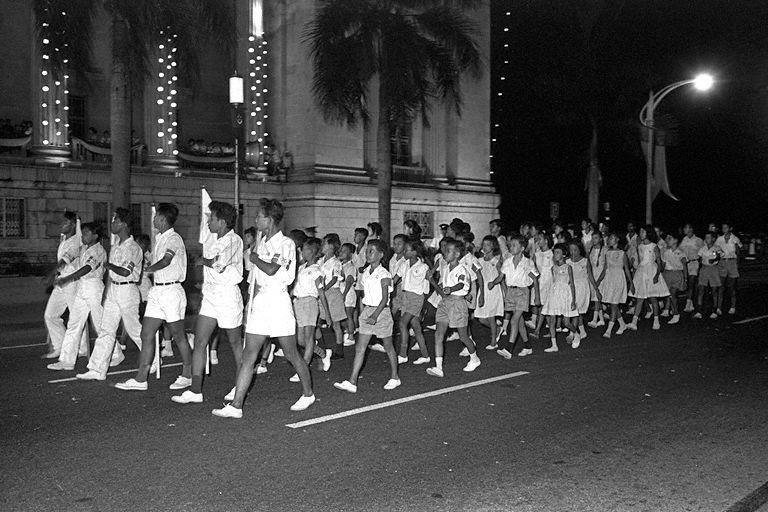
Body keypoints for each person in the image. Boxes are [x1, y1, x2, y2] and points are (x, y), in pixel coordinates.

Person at [212, 199, 315, 417]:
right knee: (249, 355)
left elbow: (270, 269)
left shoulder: (285, 244)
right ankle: (236, 405)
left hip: (278, 302)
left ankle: (308, 394)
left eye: (259, 216)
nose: (256, 220)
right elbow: (258, 276)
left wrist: (255, 258)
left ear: (270, 220)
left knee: (291, 354)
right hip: (261, 301)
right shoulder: (261, 242)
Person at [172, 200, 244, 405]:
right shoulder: (213, 239)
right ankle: (195, 390)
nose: (208, 222)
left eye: (211, 218)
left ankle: (240, 385)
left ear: (221, 222)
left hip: (228, 296)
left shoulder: (234, 241)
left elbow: (219, 265)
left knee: (235, 343)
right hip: (211, 296)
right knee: (200, 340)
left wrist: (204, 260)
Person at [115, 203, 192, 392]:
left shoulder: (174, 239)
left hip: (172, 291)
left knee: (178, 334)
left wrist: (147, 270)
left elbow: (166, 260)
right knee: (146, 333)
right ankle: (141, 379)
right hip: (158, 291)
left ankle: (188, 374)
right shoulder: (159, 238)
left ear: (163, 219)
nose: (153, 219)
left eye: (156, 216)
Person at [77, 210, 144, 380]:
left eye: (116, 220)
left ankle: (153, 359)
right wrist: (106, 293)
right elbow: (112, 274)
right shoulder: (116, 246)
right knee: (106, 330)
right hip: (114, 289)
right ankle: (97, 369)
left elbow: (125, 272)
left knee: (134, 330)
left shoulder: (133, 247)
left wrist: (109, 266)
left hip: (127, 290)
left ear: (124, 225)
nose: (112, 223)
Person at [334, 239, 400, 392]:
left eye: (372, 251)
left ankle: (395, 377)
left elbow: (384, 299)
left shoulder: (384, 274)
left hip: (381, 313)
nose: (367, 253)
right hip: (369, 311)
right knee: (360, 348)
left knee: (388, 347)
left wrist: (375, 315)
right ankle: (352, 381)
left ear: (381, 255)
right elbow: (364, 294)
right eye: (367, 250)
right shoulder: (365, 273)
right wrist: (364, 313)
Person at [46, 223, 106, 371]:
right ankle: (66, 360)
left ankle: (115, 353)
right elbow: (69, 258)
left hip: (94, 288)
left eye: (86, 233)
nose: (83, 236)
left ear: (95, 236)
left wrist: (68, 279)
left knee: (100, 326)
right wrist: (56, 272)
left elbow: (87, 268)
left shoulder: (98, 250)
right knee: (74, 324)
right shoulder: (83, 248)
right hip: (82, 287)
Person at [426, 239, 482, 377]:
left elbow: (461, 285)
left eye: (448, 251)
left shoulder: (462, 269)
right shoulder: (445, 268)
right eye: (444, 250)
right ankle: (438, 367)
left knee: (463, 336)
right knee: (439, 334)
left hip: (458, 304)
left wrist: (451, 288)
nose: (445, 253)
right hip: (445, 303)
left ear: (457, 254)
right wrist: (432, 281)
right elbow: (442, 292)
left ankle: (474, 358)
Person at [42, 211, 87, 360]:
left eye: (65, 222)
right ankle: (60, 346)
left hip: (71, 283)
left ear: (73, 225)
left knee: (76, 316)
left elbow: (64, 261)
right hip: (61, 282)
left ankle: (83, 348)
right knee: (50, 315)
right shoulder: (64, 241)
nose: (61, 225)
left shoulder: (76, 242)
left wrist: (51, 273)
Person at [291, 237, 332, 380]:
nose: (303, 251)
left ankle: (303, 369)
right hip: (298, 303)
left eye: (306, 249)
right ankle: (323, 353)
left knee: (308, 338)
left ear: (313, 252)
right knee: (299, 340)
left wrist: (327, 313)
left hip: (309, 303)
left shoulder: (317, 271)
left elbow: (321, 293)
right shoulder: (302, 268)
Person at [491, 234, 539, 358]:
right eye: (510, 245)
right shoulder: (507, 261)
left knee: (514, 320)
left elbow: (535, 280)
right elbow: (501, 277)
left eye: (514, 245)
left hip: (523, 292)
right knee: (520, 322)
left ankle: (509, 349)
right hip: (511, 292)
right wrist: (492, 283)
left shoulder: (528, 263)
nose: (510, 247)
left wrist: (537, 297)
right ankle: (527, 346)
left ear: (522, 248)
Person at [626, 225, 669, 331]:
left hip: (652, 271)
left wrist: (657, 275)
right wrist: (637, 274)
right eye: (640, 232)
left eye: (643, 232)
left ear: (648, 233)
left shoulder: (654, 246)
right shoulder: (639, 246)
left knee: (653, 298)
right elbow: (640, 261)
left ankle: (656, 320)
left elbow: (658, 262)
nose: (641, 234)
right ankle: (634, 322)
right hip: (642, 272)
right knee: (639, 298)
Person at [396, 239, 431, 365]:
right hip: (405, 297)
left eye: (407, 250)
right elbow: (396, 279)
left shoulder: (423, 267)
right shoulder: (404, 264)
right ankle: (425, 355)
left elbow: (429, 283)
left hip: (416, 298)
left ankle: (403, 354)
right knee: (416, 327)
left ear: (415, 252)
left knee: (402, 323)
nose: (404, 251)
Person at [541, 243, 579, 352]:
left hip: (565, 296)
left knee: (566, 322)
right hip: (554, 295)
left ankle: (576, 334)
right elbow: (554, 282)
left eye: (558, 252)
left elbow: (571, 284)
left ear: (564, 254)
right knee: (552, 321)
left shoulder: (568, 267)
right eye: (554, 252)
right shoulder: (553, 268)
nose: (555, 254)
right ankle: (554, 345)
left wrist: (573, 300)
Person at [596, 233, 634, 338]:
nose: (609, 240)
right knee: (613, 304)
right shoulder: (607, 253)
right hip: (609, 279)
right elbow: (605, 269)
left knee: (614, 304)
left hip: (619, 279)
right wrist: (599, 280)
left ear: (617, 239)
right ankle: (622, 324)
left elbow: (626, 269)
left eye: (611, 238)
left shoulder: (622, 253)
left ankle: (609, 330)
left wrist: (631, 283)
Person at [319, 233, 347, 358]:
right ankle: (320, 347)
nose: (322, 246)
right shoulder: (321, 261)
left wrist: (324, 288)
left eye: (324, 243)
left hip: (332, 294)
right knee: (317, 320)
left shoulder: (335, 262)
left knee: (336, 323)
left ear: (330, 246)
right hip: (322, 293)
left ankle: (339, 350)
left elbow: (335, 278)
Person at [474, 236, 504, 352]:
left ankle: (493, 341)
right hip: (483, 289)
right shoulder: (480, 261)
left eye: (488, 245)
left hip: (493, 290)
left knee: (491, 316)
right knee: (481, 318)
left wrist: (495, 283)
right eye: (484, 244)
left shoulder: (496, 261)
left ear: (493, 247)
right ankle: (497, 329)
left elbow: (501, 276)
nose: (485, 247)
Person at [567, 240, 593, 344]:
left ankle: (572, 332)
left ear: (579, 250)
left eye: (575, 250)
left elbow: (590, 276)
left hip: (582, 287)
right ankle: (581, 331)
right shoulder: (567, 261)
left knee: (577, 311)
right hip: (571, 288)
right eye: (571, 250)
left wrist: (596, 289)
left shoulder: (585, 261)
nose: (573, 252)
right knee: (574, 310)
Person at [694, 232, 723, 319]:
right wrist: (700, 264)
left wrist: (714, 259)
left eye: (708, 238)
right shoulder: (703, 248)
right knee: (701, 289)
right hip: (704, 269)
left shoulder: (717, 248)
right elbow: (699, 257)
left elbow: (718, 256)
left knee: (714, 290)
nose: (706, 239)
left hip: (713, 269)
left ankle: (714, 310)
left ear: (713, 239)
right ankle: (699, 311)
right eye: (706, 238)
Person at [530, 234, 554, 338]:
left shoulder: (552, 253)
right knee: (541, 307)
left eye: (540, 239)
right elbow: (533, 268)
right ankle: (548, 331)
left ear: (546, 240)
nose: (537, 241)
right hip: (538, 283)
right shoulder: (536, 254)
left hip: (549, 283)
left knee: (545, 307)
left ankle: (538, 330)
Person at [661, 234, 688, 324]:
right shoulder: (666, 252)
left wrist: (685, 279)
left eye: (670, 238)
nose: (667, 240)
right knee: (669, 295)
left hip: (677, 274)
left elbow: (684, 266)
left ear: (676, 240)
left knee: (673, 293)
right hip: (667, 274)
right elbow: (663, 266)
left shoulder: (681, 252)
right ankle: (673, 310)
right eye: (667, 238)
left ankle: (676, 314)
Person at [715, 222, 741, 315]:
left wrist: (737, 264)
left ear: (730, 228)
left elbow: (738, 252)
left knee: (732, 287)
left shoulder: (735, 239)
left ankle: (733, 306)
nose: (724, 229)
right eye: (723, 228)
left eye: (726, 227)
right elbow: (716, 251)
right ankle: (719, 307)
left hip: (732, 262)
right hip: (722, 262)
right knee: (721, 286)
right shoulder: (719, 239)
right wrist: (716, 258)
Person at [679, 223, 704, 313]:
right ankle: (691, 302)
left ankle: (688, 302)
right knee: (687, 283)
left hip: (694, 263)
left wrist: (700, 264)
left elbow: (703, 252)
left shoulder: (698, 240)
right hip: (685, 264)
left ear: (691, 229)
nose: (684, 230)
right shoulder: (684, 240)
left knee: (692, 282)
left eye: (686, 228)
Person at [339, 242, 358, 348]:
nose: (341, 253)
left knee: (348, 315)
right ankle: (348, 331)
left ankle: (351, 337)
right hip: (342, 292)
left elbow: (349, 281)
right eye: (341, 250)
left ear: (350, 254)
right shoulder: (341, 265)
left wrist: (344, 294)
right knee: (343, 316)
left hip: (348, 293)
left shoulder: (350, 266)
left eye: (344, 251)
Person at [586, 231, 607, 328]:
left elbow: (606, 266)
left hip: (601, 274)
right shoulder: (591, 249)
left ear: (600, 239)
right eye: (592, 238)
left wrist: (600, 278)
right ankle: (601, 319)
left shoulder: (605, 250)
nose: (593, 240)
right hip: (593, 274)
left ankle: (595, 319)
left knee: (597, 297)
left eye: (596, 238)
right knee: (594, 296)